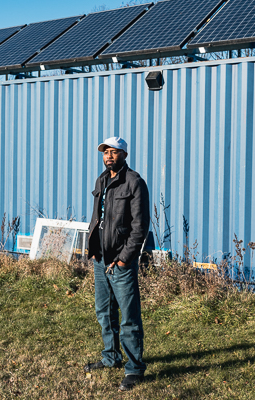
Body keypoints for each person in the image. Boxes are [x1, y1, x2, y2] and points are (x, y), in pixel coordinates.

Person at [85, 136, 150, 391]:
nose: (108, 156)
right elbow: (97, 217)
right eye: (105, 152)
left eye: (113, 152)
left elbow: (140, 227)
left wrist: (124, 259)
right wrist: (92, 248)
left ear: (123, 154)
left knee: (129, 318)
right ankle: (110, 358)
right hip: (100, 259)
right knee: (104, 312)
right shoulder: (102, 180)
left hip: (120, 261)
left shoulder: (134, 182)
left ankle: (134, 369)